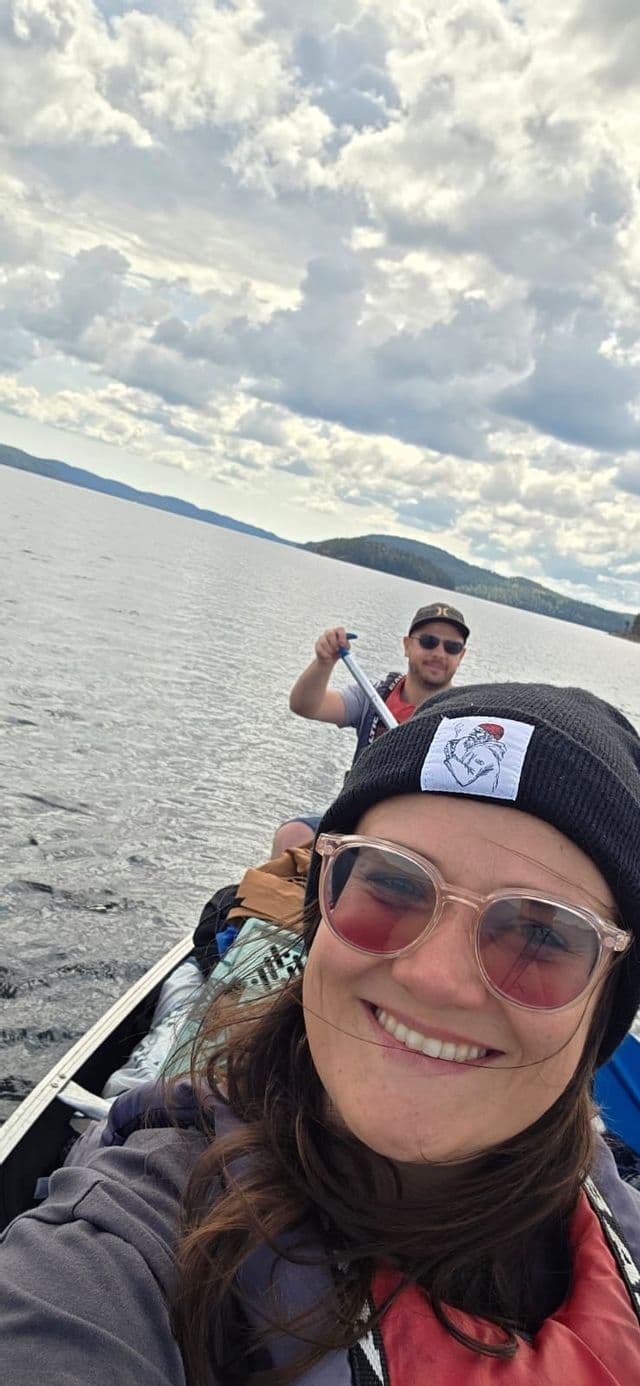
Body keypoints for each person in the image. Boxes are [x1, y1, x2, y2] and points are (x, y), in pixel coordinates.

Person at [3, 681, 640, 1385]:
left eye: (542, 933)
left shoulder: (616, 1216)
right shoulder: (122, 1246)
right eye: (394, 886)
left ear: (607, 1004)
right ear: (323, 910)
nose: (434, 979)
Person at [275, 601, 470, 853]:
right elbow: (306, 705)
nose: (439, 654)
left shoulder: (463, 719)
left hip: (414, 838)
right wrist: (324, 663)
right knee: (293, 834)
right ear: (407, 645)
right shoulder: (373, 696)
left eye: (452, 647)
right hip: (356, 820)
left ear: (461, 656)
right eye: (428, 642)